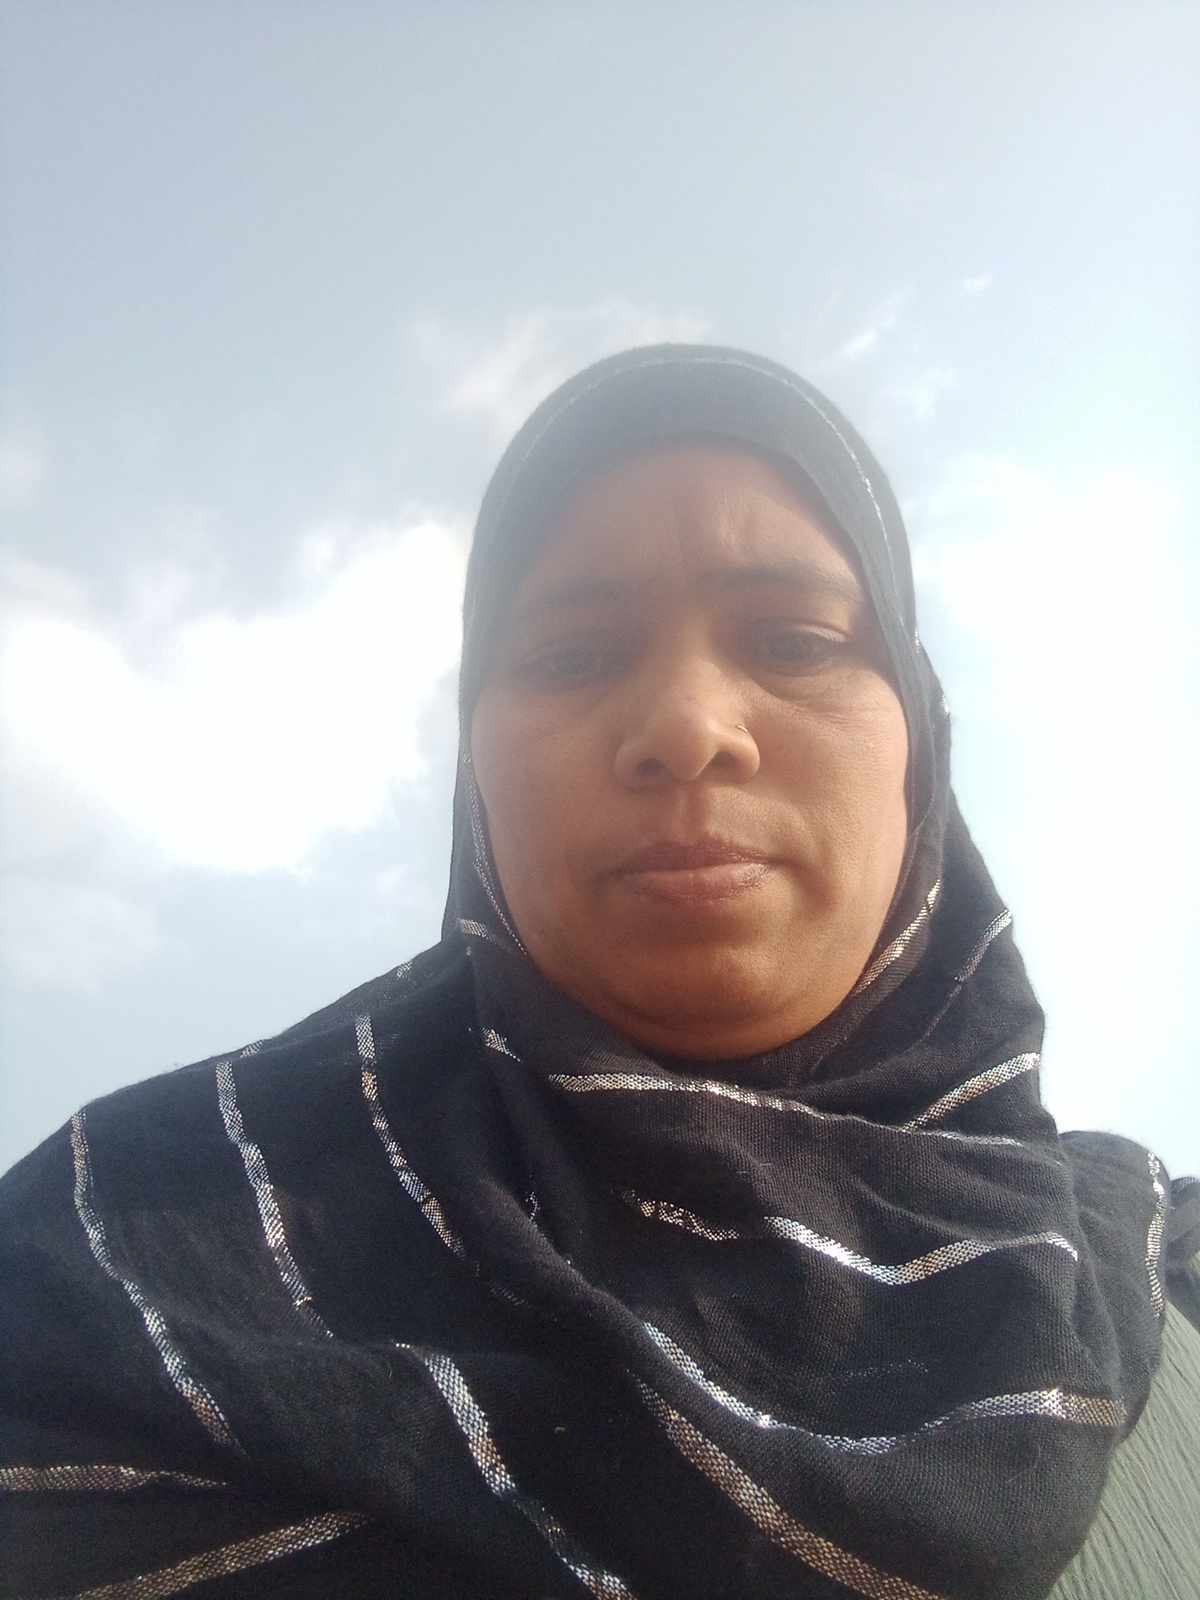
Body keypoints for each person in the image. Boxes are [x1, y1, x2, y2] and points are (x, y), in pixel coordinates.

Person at [2, 344, 1196, 1599]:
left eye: (795, 639)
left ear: (920, 747)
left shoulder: (1159, 1278)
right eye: (571, 656)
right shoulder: (106, 1263)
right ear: (475, 774)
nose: (686, 725)